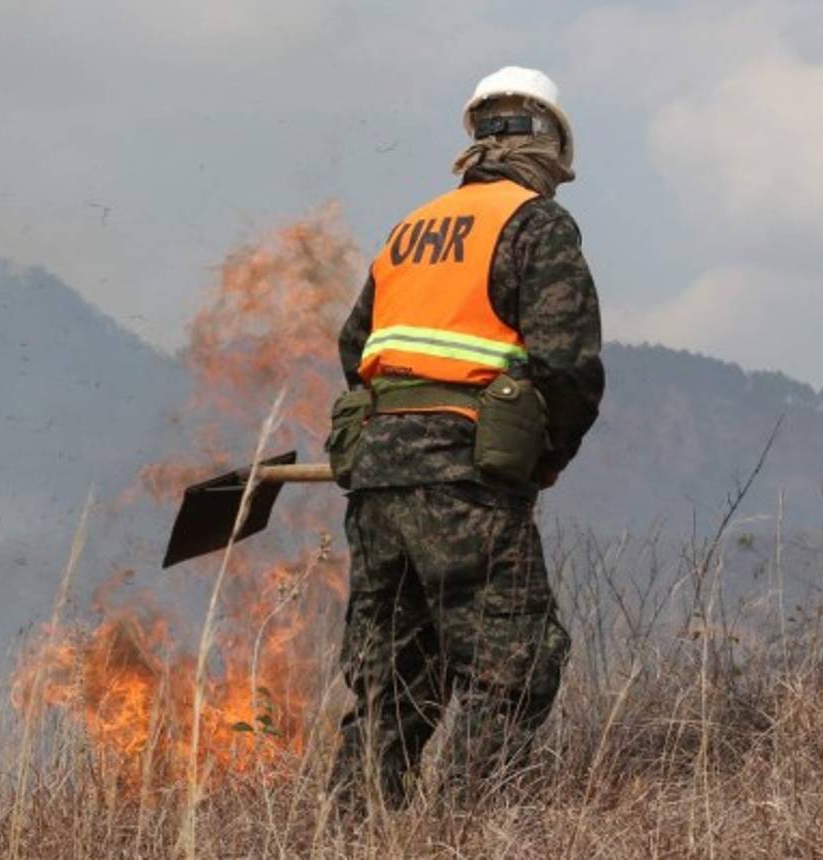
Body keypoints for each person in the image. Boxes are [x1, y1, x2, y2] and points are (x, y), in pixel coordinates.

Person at [328, 66, 604, 809]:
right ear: (549, 141)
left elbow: (357, 346)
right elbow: (568, 364)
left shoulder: (411, 228)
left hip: (380, 482)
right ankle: (461, 832)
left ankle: (347, 836)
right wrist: (542, 460)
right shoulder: (534, 222)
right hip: (468, 483)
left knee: (394, 681)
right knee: (517, 669)